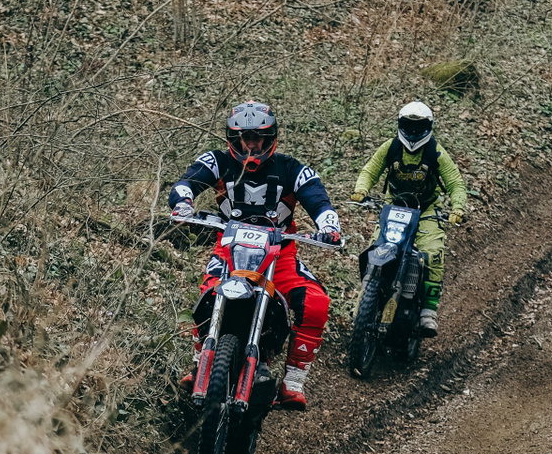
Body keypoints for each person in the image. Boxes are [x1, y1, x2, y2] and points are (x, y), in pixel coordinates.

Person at [169, 101, 341, 409]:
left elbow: (318, 198)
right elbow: (186, 183)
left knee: (316, 303)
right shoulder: (217, 161)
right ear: (232, 139)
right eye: (245, 139)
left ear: (270, 138)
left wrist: (328, 225)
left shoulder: (292, 168)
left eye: (258, 139)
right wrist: (183, 203)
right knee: (208, 293)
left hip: (279, 256)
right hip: (229, 252)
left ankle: (293, 381)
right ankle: (199, 364)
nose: (252, 146)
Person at [350, 102, 467, 337]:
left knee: (432, 253)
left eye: (418, 128)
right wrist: (361, 189)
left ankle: (428, 312)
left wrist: (458, 208)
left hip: (426, 209)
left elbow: (455, 182)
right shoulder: (391, 147)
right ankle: (362, 302)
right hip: (393, 205)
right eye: (408, 127)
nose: (413, 133)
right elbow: (370, 170)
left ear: (428, 127)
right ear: (400, 125)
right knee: (375, 249)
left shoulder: (435, 152)